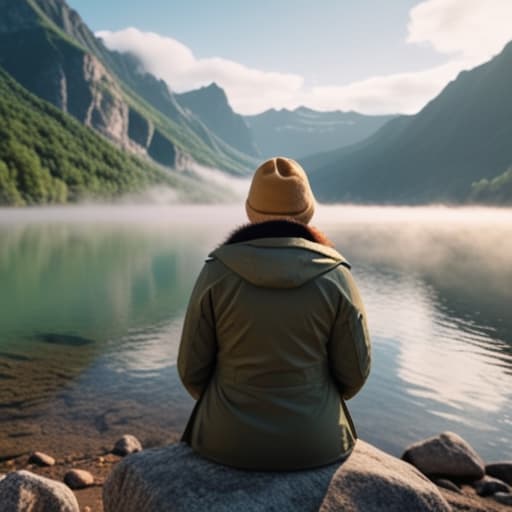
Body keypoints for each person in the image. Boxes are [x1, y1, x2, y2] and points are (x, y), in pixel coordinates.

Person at [177, 156, 371, 471]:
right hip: (317, 443)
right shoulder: (336, 275)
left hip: (225, 442)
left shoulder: (217, 272)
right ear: (309, 211)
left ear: (251, 212)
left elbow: (191, 371)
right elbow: (354, 375)